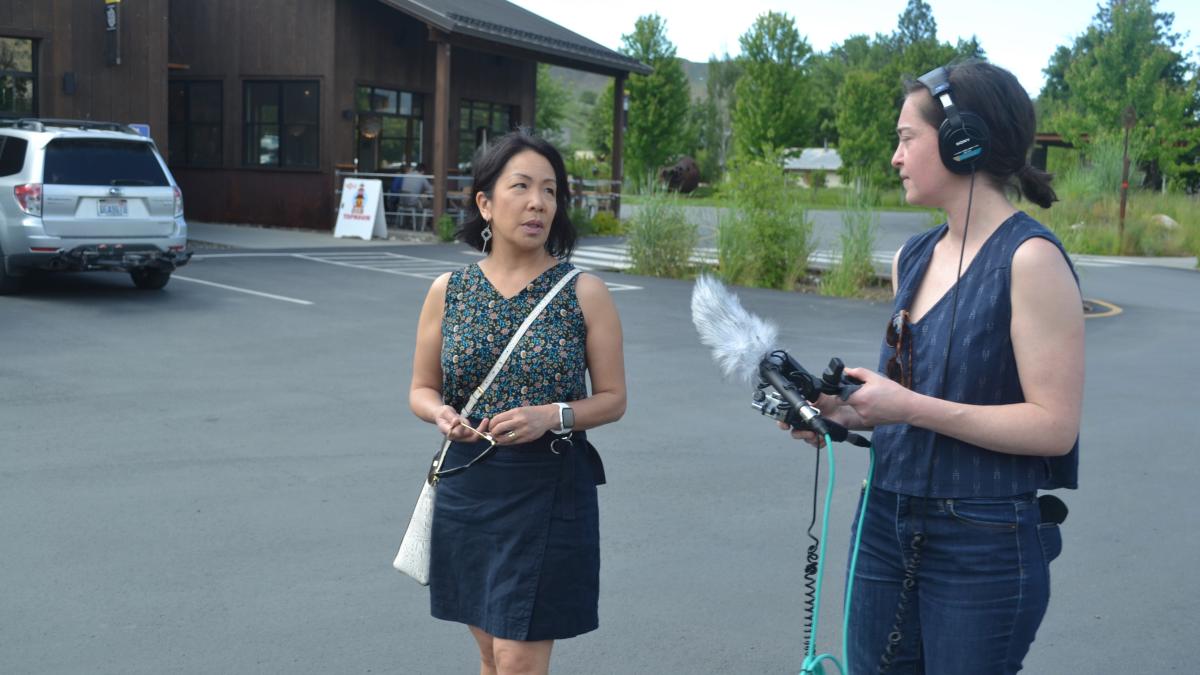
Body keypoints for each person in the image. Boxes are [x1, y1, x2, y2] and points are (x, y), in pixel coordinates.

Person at [786, 60, 1083, 674]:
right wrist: (841, 412)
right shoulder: (913, 256)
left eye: (906, 138)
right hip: (886, 519)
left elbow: (1054, 427)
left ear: (960, 140)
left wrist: (906, 407)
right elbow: (905, 400)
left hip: (984, 539)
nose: (895, 156)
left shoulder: (1030, 260)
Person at [409, 131, 626, 675]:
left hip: (548, 489)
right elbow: (421, 388)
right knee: (489, 653)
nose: (539, 203)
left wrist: (551, 415)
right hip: (468, 481)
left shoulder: (584, 291)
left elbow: (614, 399)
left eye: (550, 191)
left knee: (516, 660)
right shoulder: (448, 290)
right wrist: (441, 413)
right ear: (485, 202)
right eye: (522, 187)